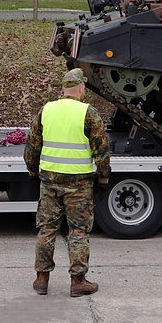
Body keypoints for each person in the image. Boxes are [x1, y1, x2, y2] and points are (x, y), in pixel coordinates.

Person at [24, 67, 109, 297]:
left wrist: (33, 171)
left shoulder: (46, 110)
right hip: (79, 184)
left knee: (47, 229)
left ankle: (41, 280)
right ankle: (78, 281)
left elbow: (32, 146)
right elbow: (101, 149)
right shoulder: (88, 113)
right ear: (81, 88)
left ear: (63, 90)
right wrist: (103, 176)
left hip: (49, 180)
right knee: (78, 231)